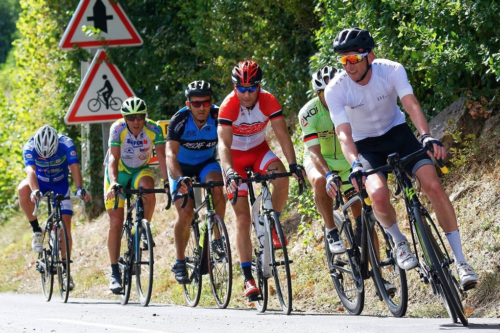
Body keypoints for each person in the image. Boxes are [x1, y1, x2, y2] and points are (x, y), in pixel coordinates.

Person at [324, 27, 478, 289]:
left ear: (369, 56)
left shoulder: (391, 70)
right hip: (366, 145)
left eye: (353, 59)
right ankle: (399, 241)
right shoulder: (335, 89)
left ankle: (461, 261)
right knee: (379, 195)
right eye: (343, 60)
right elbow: (343, 133)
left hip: (398, 133)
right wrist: (355, 164)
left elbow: (411, 104)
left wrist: (426, 136)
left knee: (433, 186)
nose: (347, 67)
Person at [218, 60, 304, 300]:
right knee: (243, 218)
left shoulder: (268, 100)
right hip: (234, 158)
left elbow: (282, 134)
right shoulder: (228, 106)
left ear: (259, 86)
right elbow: (223, 144)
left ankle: (273, 223)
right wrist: (228, 171)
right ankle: (247, 278)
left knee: (281, 176)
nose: (246, 94)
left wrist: (294, 164)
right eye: (241, 88)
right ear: (235, 87)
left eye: (251, 88)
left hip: (258, 151)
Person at [104, 96, 169, 294]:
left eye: (139, 117)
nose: (136, 122)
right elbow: (113, 158)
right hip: (119, 172)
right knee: (116, 222)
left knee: (148, 186)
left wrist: (167, 183)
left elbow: (163, 158)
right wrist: (114, 182)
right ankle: (115, 272)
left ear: (144, 117)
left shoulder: (154, 129)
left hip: (140, 169)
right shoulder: (117, 129)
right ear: (125, 118)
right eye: (131, 117)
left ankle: (141, 230)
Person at [166, 80, 226, 284]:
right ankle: (180, 260)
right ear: (188, 103)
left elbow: (229, 144)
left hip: (207, 164)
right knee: (185, 212)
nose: (201, 107)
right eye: (196, 103)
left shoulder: (219, 116)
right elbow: (170, 154)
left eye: (206, 102)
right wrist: (178, 176)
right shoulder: (179, 120)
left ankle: (217, 239)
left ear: (211, 102)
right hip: (181, 166)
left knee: (217, 186)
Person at [299, 65, 362, 255]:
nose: (331, 95)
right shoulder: (308, 113)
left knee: (364, 222)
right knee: (319, 181)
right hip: (320, 159)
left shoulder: (353, 103)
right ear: (318, 94)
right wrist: (327, 175)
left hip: (347, 162)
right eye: (325, 92)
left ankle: (378, 275)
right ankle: (331, 230)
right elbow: (314, 152)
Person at [18, 125, 90, 291]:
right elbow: (30, 171)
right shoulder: (29, 147)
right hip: (40, 182)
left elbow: (74, 167)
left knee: (65, 226)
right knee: (22, 189)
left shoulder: (66, 143)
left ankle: (66, 270)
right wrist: (35, 190)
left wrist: (79, 189)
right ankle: (36, 229)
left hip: (60, 183)